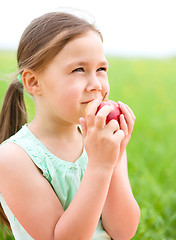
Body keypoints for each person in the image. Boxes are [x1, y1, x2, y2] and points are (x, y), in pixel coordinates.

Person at [0, 11, 140, 240]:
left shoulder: (101, 141)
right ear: (34, 82)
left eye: (101, 69)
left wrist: (116, 155)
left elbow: (123, 231)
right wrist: (100, 166)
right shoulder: (13, 157)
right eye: (78, 70)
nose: (96, 84)